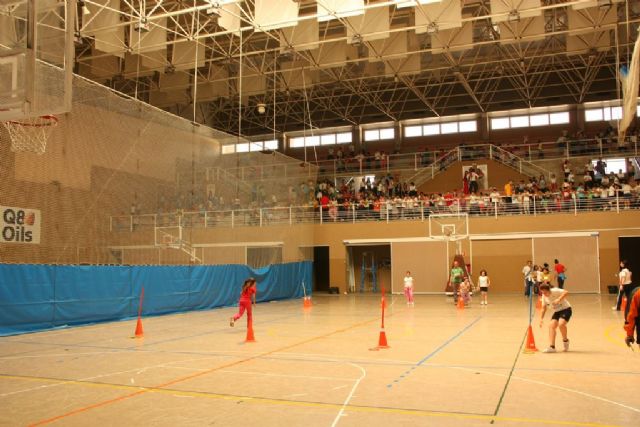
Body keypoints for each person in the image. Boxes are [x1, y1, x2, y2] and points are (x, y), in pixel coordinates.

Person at [539, 283, 571, 353]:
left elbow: (566, 292)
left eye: (545, 292)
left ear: (549, 290)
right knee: (551, 326)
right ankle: (552, 347)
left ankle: (565, 340)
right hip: (557, 312)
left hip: (566, 309)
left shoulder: (555, 290)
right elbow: (544, 308)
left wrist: (559, 299)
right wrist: (541, 319)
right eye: (542, 292)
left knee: (561, 324)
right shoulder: (544, 297)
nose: (544, 294)